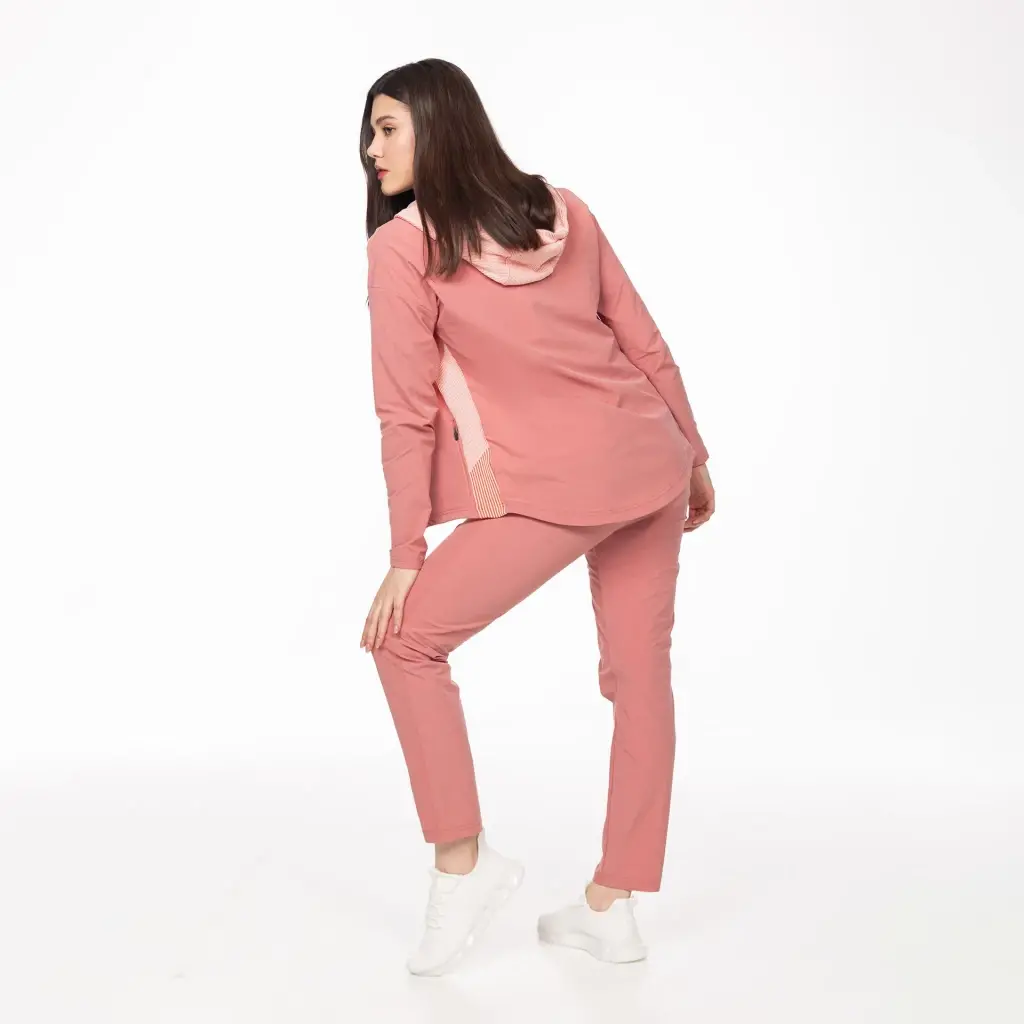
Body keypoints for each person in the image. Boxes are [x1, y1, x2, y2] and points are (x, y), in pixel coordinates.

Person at [358, 59, 715, 976]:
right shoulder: (563, 210)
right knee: (641, 678)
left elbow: (404, 411)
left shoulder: (403, 247)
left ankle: (463, 864)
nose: (371, 149)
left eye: (388, 128)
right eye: (370, 132)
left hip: (557, 489)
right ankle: (613, 906)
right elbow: (645, 341)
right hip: (650, 463)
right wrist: (692, 455)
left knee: (405, 642)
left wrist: (406, 554)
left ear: (439, 126)